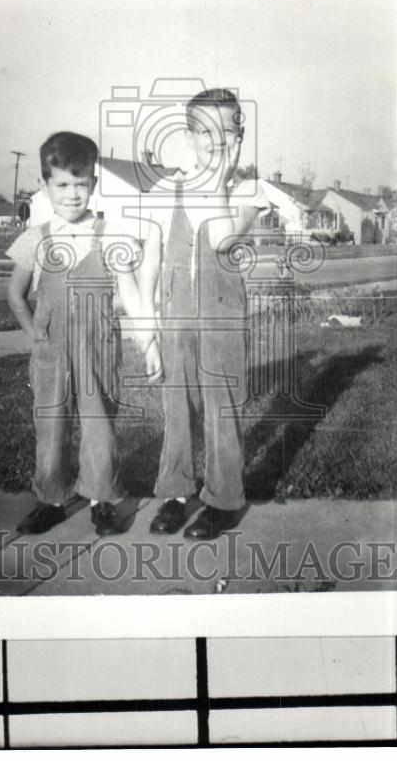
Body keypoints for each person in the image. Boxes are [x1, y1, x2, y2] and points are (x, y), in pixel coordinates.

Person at [6, 131, 161, 537]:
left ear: (93, 182)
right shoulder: (35, 239)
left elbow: (129, 291)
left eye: (81, 183)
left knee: (99, 427)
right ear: (45, 185)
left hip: (97, 351)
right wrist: (35, 336)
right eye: (62, 184)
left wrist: (148, 342)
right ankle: (50, 500)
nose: (72, 194)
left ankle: (101, 502)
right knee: (50, 427)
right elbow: (15, 294)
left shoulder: (110, 234)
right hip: (51, 355)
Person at [139, 89, 269, 540]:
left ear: (241, 134)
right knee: (177, 409)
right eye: (205, 132)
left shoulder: (248, 191)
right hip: (175, 318)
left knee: (221, 409)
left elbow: (219, 239)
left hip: (223, 318)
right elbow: (150, 261)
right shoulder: (165, 189)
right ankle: (176, 493)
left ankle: (223, 499)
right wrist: (146, 335)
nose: (215, 142)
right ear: (189, 136)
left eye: (226, 131)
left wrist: (218, 180)